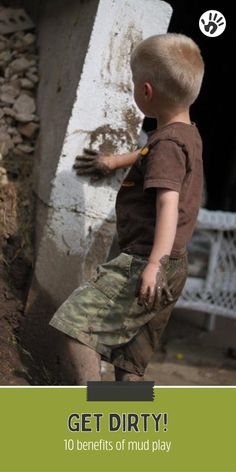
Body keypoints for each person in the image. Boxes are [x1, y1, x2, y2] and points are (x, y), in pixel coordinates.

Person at [49, 33, 205, 384]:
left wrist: (153, 265)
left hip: (146, 261)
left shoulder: (166, 146)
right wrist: (116, 161)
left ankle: (92, 409)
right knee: (130, 360)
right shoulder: (185, 135)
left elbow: (168, 204)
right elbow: (152, 153)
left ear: (145, 92)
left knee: (75, 327)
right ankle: (120, 423)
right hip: (174, 267)